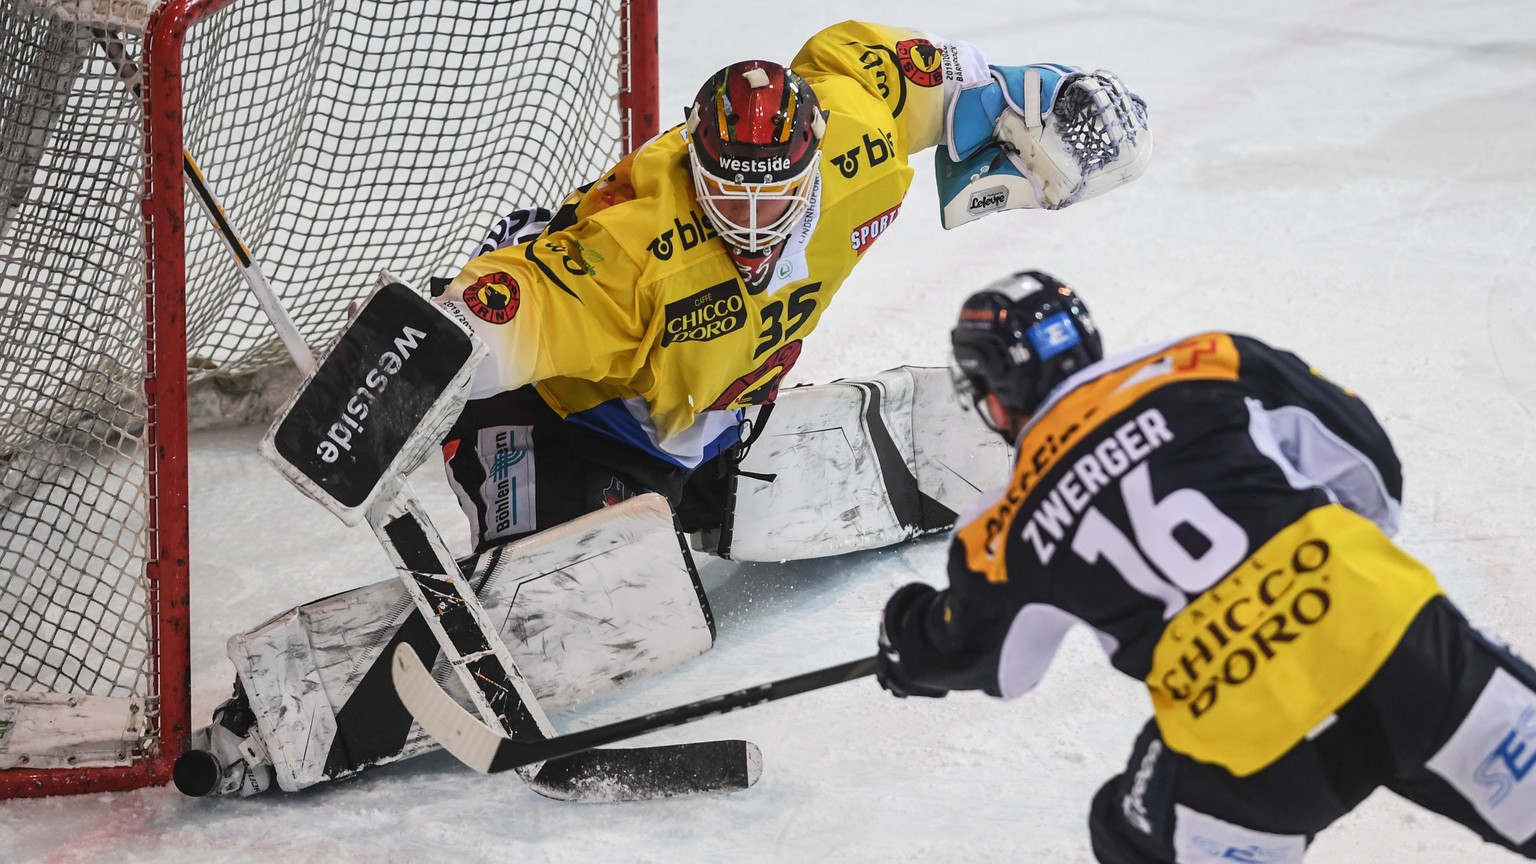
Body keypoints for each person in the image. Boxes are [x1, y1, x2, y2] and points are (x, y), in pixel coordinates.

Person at [875, 270, 1536, 861]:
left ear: (996, 396)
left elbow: (992, 662)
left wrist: (908, 637)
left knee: (1124, 830)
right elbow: (1372, 470)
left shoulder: (1006, 524)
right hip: (1411, 656)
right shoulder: (1209, 361)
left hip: (1258, 758)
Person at [428, 20, 1152, 554]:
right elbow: (524, 301)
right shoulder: (640, 251)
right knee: (591, 580)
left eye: (772, 198)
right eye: (727, 196)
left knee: (657, 502)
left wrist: (1048, 102)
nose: (750, 224)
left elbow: (937, 81)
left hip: (700, 405)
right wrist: (423, 356)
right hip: (564, 418)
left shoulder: (858, 143)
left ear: (814, 162)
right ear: (695, 168)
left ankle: (706, 461)